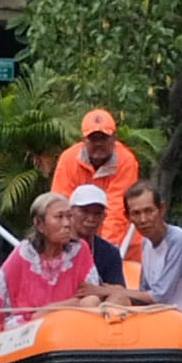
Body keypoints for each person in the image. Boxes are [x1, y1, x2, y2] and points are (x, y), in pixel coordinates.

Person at [0, 192, 98, 337]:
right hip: (28, 329)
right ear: (39, 224)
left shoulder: (80, 250)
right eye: (59, 217)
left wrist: (50, 309)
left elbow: (91, 295)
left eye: (69, 216)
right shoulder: (24, 253)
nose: (67, 224)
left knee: (91, 301)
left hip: (70, 325)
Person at [89, 181, 182, 316]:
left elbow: (159, 296)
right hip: (163, 315)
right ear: (128, 217)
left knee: (117, 296)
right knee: (116, 300)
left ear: (161, 209)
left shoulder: (179, 241)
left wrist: (108, 291)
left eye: (148, 211)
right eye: (136, 213)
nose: (143, 219)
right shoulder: (146, 244)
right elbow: (144, 291)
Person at [50, 107, 141, 255]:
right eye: (93, 138)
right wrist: (68, 245)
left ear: (114, 137)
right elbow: (60, 204)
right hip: (73, 246)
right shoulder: (68, 159)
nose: (98, 143)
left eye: (103, 138)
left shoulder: (126, 161)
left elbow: (116, 210)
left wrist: (104, 250)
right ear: (83, 139)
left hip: (123, 248)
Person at [68, 185, 125, 285]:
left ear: (104, 216)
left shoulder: (110, 252)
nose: (91, 219)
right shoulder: (55, 246)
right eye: (84, 211)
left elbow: (118, 289)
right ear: (70, 212)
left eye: (97, 213)